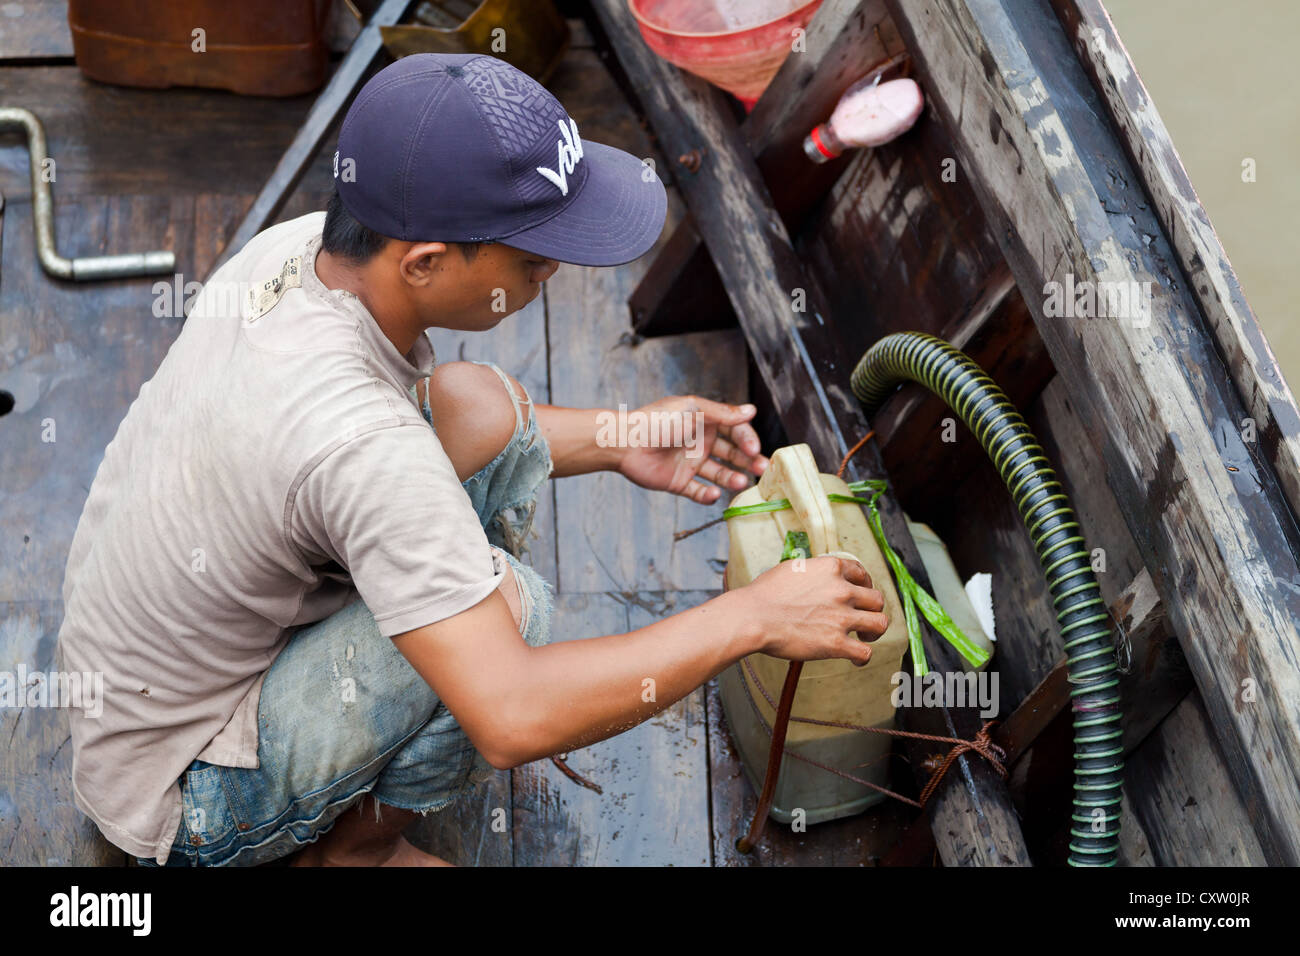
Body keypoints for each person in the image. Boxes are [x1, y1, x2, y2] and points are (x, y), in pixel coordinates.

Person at [56, 53, 888, 867]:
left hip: (135, 694)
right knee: (509, 610)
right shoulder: (359, 444)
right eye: (532, 259)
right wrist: (755, 618)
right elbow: (512, 715)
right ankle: (354, 854)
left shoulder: (301, 250)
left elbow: (409, 443)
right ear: (422, 262)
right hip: (185, 794)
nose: (552, 271)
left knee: (478, 404)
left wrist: (623, 437)